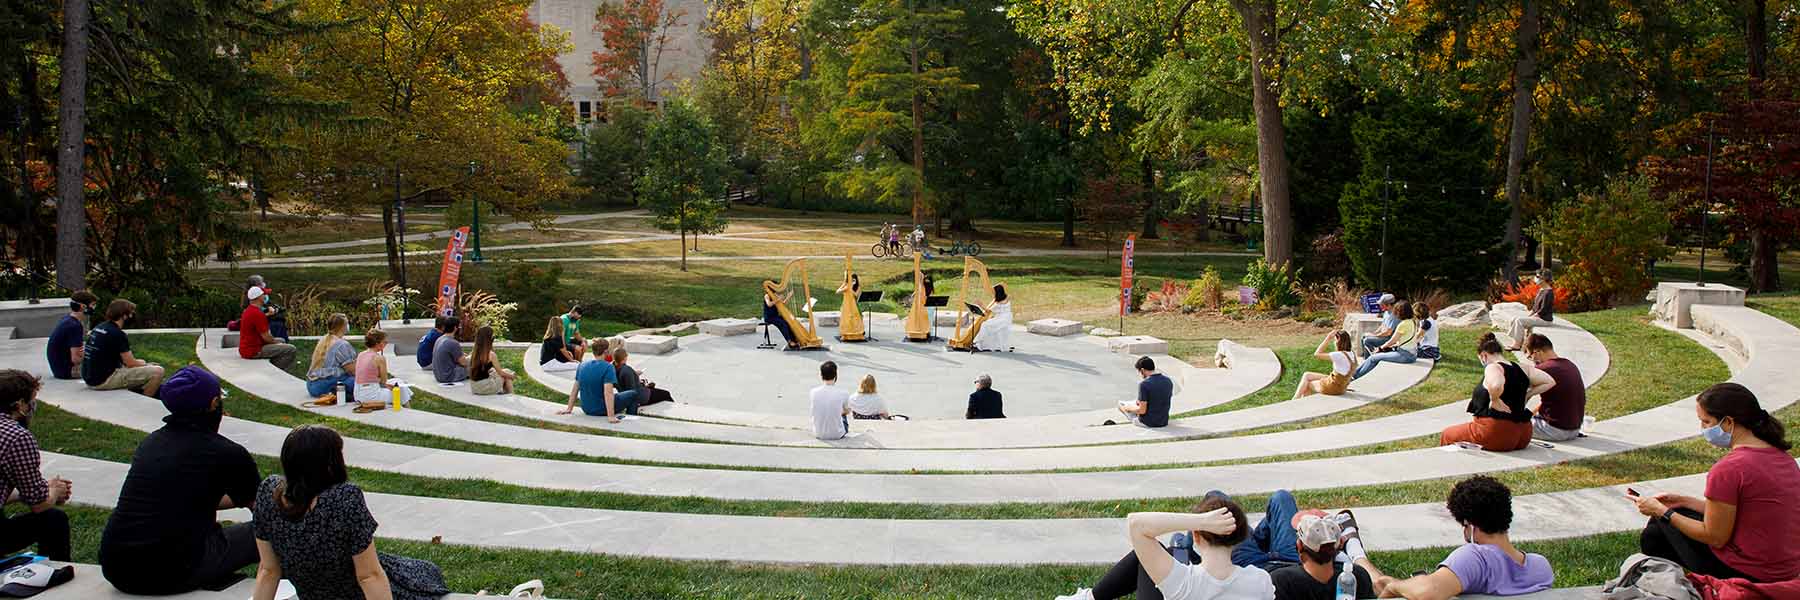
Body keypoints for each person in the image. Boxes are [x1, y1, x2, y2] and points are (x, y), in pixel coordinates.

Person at [100, 366, 261, 594]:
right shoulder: (226, 453)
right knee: (267, 532)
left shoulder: (151, 444)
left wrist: (236, 497)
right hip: (175, 570)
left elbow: (183, 496)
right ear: (214, 404)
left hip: (118, 566)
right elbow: (264, 512)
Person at [251, 425, 450, 600]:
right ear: (329, 463)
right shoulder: (344, 497)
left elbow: (268, 570)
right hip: (353, 590)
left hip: (311, 592)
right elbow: (368, 576)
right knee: (426, 572)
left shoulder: (269, 492)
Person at [1630, 383, 1798, 582]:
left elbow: (1715, 536)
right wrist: (1684, 501)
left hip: (1749, 572)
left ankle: (1669, 585)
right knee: (1677, 516)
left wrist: (1662, 512)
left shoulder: (1729, 469)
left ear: (1728, 422)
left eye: (1706, 422)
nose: (1702, 429)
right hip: (1784, 567)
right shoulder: (1782, 457)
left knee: (1657, 530)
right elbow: (1747, 512)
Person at [1356, 476, 1553, 598]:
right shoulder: (1541, 566)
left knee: (1380, 582)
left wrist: (1395, 586)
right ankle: (1356, 552)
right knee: (1382, 580)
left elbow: (1427, 592)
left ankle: (1355, 551)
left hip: (1429, 587)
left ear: (1470, 525)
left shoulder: (1476, 557)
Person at [1055, 494, 1274, 600]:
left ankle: (1089, 598)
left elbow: (1136, 524)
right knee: (1170, 553)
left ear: (1196, 536)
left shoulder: (1183, 582)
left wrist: (1199, 521)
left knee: (1158, 553)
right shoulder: (1260, 581)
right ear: (1238, 539)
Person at [0, 370, 71, 561]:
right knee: (54, 520)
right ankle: (53, 575)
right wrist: (55, 491)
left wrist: (31, 492)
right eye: (31, 400)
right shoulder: (17, 437)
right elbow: (40, 505)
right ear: (20, 405)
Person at [1440, 334, 1555, 452]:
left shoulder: (1493, 367)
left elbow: (1496, 384)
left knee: (1448, 434)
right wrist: (1528, 394)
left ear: (1483, 355)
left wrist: (1495, 399)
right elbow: (1549, 381)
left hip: (1497, 433)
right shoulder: (1523, 368)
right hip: (1524, 433)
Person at [1267, 509, 1377, 600]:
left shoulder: (1281, 581)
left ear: (1299, 545)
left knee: (1280, 501)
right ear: (1339, 545)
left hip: (1269, 563)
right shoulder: (1357, 576)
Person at [83, 299, 165, 397]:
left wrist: (144, 365)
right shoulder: (117, 334)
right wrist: (145, 363)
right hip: (103, 381)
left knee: (146, 367)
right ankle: (144, 401)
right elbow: (131, 363)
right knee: (158, 371)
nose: (132, 316)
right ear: (124, 316)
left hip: (90, 377)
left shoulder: (99, 327)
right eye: (131, 314)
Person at [1522, 334, 1586, 442]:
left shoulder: (1543, 369)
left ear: (1537, 352)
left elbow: (1519, 392)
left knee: (1509, 425)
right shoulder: (1570, 365)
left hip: (1553, 430)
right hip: (1574, 429)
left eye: (1530, 356)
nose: (1532, 361)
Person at [1353, 301, 1419, 379]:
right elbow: (1405, 340)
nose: (1395, 313)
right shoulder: (1413, 321)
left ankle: (1355, 376)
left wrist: (1380, 348)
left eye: (1397, 311)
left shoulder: (1403, 325)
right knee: (1373, 357)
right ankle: (1354, 373)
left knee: (1373, 358)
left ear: (1400, 312)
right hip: (1412, 354)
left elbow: (1392, 341)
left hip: (1405, 355)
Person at [239, 286, 298, 371]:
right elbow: (266, 337)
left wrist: (267, 315)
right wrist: (276, 343)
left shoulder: (250, 310)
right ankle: (274, 370)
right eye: (264, 294)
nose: (265, 296)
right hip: (254, 350)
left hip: (247, 347)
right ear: (259, 297)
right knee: (291, 349)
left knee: (282, 340)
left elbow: (257, 323)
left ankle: (272, 365)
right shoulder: (257, 314)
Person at [304, 314, 358, 403]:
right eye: (347, 323)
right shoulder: (342, 345)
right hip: (325, 386)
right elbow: (352, 371)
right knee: (362, 381)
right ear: (342, 327)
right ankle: (338, 393)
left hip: (311, 385)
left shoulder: (323, 339)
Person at [352, 329, 410, 411]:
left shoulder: (361, 355)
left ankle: (406, 408)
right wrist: (388, 386)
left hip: (358, 394)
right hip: (371, 395)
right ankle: (408, 409)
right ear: (377, 343)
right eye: (384, 342)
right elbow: (384, 381)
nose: (385, 344)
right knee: (400, 389)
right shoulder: (379, 358)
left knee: (398, 382)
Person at [45, 290, 97, 380]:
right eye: (92, 305)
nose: (94, 308)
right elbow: (76, 359)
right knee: (106, 362)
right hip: (68, 371)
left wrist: (84, 352)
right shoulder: (75, 326)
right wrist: (90, 355)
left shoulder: (67, 319)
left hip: (58, 369)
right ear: (83, 306)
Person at [559, 356, 628, 422]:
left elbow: (575, 389)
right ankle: (632, 415)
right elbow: (608, 393)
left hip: (586, 409)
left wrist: (569, 409)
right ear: (606, 351)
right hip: (601, 409)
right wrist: (611, 416)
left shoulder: (582, 365)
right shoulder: (608, 367)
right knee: (633, 393)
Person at [1293, 331, 1356, 399]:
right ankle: (1295, 399)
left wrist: (1328, 338)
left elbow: (1317, 354)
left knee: (1307, 385)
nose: (1334, 343)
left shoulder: (1338, 355)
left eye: (1335, 340)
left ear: (1338, 341)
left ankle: (1296, 402)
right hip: (1342, 386)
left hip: (1333, 387)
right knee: (1307, 375)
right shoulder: (1352, 354)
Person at [1117, 356, 1173, 428]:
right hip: (1164, 421)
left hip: (1148, 423)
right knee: (1136, 403)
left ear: (1142, 370)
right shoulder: (1168, 381)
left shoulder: (1144, 384)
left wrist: (1127, 408)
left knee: (1121, 405)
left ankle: (1126, 409)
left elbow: (1142, 411)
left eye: (1139, 372)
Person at [1505, 272, 1555, 351]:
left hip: (1545, 319)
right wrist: (1530, 315)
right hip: (1539, 317)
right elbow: (1535, 307)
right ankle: (1516, 341)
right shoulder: (1541, 290)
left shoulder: (1548, 292)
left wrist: (1533, 317)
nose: (1536, 278)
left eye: (1538, 276)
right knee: (1514, 318)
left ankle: (1517, 345)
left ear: (1544, 279)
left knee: (1519, 321)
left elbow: (1543, 310)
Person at [467, 326, 516, 396]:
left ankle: (507, 394)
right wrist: (512, 376)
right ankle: (511, 395)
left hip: (474, 387)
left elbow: (479, 370)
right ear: (489, 339)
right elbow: (501, 373)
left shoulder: (474, 352)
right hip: (484, 388)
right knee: (507, 374)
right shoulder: (491, 354)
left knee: (504, 371)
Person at [810, 361, 851, 440]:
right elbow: (847, 411)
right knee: (843, 412)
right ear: (835, 375)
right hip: (838, 434)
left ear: (821, 375)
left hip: (818, 433)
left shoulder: (813, 392)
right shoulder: (843, 393)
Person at [971, 284, 1013, 352]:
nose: (992, 292)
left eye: (993, 291)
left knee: (985, 325)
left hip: (1002, 319)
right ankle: (988, 344)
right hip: (1006, 317)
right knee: (988, 323)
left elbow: (988, 311)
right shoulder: (1007, 297)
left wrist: (980, 304)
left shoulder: (997, 303)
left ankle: (978, 343)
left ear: (997, 292)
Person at [430, 316, 468, 384]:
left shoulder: (439, 339)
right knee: (475, 366)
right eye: (459, 327)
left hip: (439, 375)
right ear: (455, 328)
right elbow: (464, 363)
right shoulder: (453, 342)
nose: (461, 329)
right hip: (449, 376)